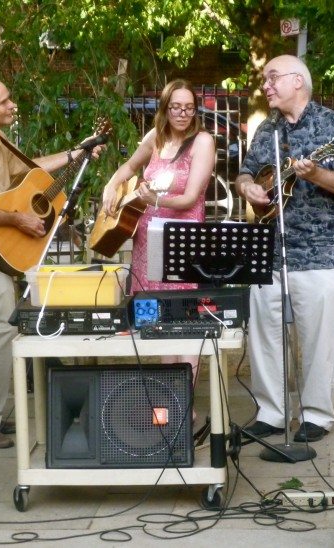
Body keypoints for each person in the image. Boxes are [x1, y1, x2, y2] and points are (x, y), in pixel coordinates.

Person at [0, 77, 103, 448]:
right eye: (4, 101)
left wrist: (77, 152)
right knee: (3, 327)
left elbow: (32, 171)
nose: (12, 105)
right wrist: (17, 220)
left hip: (1, 246)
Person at [235, 55, 334, 443]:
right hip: (270, 250)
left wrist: (317, 173)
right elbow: (245, 171)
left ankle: (316, 415)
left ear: (298, 81)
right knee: (265, 336)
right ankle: (272, 413)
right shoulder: (266, 131)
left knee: (318, 338)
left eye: (272, 77)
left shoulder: (332, 125)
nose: (266, 85)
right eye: (264, 79)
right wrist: (249, 188)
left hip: (321, 251)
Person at [101, 78, 215, 380]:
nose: (182, 114)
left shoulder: (202, 141)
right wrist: (111, 186)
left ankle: (186, 397)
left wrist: (157, 198)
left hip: (183, 239)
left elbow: (191, 197)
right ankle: (170, 392)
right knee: (158, 318)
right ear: (165, 108)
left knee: (186, 317)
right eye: (176, 107)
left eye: (189, 108)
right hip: (148, 238)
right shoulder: (155, 138)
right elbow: (128, 167)